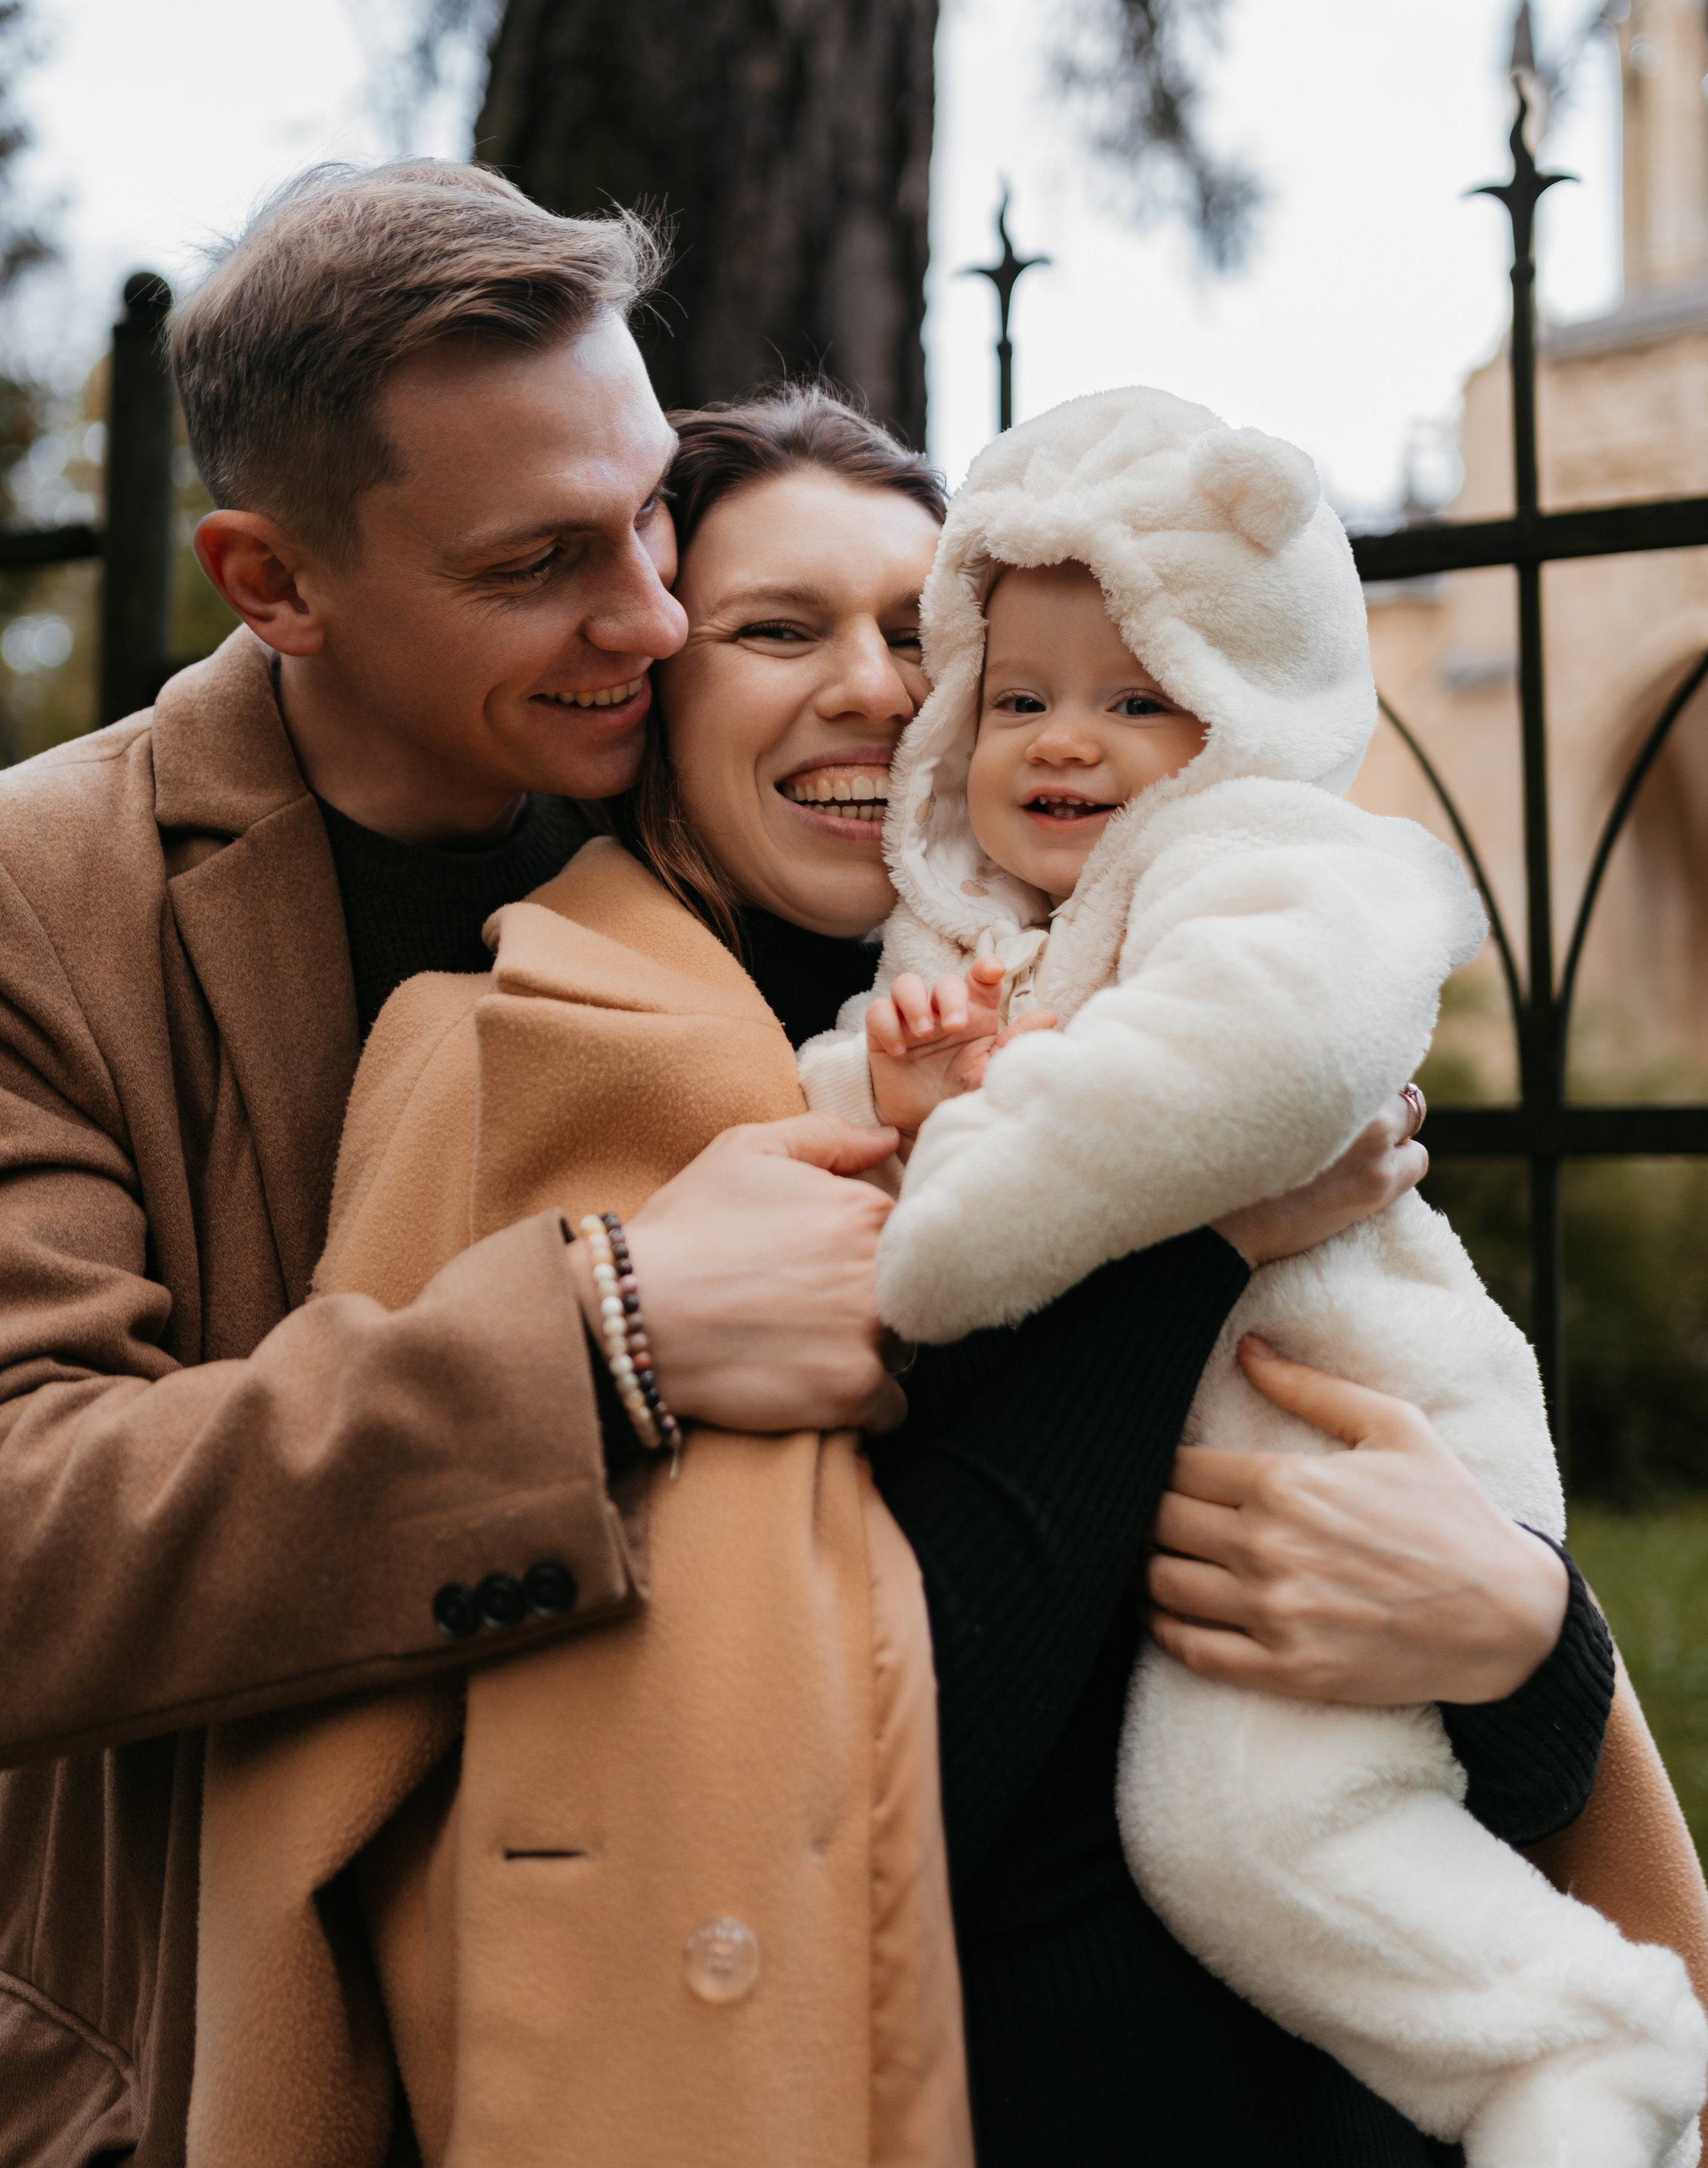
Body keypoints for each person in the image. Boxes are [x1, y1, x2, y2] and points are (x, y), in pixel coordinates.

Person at [0, 163, 1461, 2165]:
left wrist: (1527, 1645)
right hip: (283, 1992)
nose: (652, 613)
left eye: (649, 527)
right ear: (274, 584)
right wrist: (608, 1333)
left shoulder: (993, 939)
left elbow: (1367, 1441)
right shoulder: (100, 911)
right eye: (545, 565)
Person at [194, 384, 1645, 2167]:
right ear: (656, 688)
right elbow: (828, 1791)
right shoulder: (532, 1065)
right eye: (778, 628)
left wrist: (1521, 1644)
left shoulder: (1156, 1007)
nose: (879, 687)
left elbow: (1453, 1722)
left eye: (916, 627)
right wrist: (1184, 1245)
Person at [797, 386, 1708, 2164]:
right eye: (1022, 696)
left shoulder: (1271, 861)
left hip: (1343, 1435)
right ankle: (1573, 2054)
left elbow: (1260, 1062)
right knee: (1246, 1838)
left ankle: (1581, 2063)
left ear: (1250, 714)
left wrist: (960, 1186)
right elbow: (855, 1139)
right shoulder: (980, 941)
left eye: (1145, 699)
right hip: (1202, 1578)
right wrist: (895, 1096)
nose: (1070, 741)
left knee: (1269, 1832)